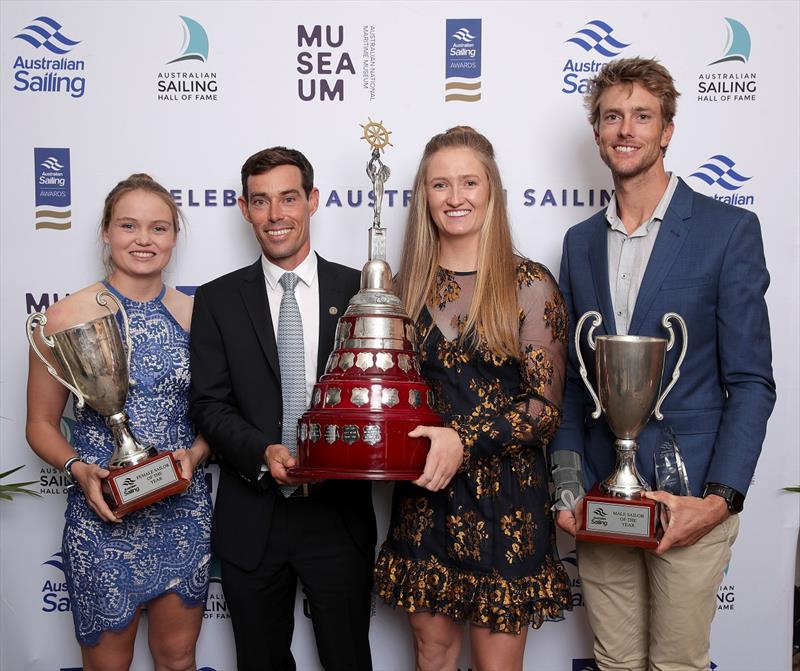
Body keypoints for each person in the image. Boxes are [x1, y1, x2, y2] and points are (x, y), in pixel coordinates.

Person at [550, 57, 776, 670]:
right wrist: (567, 485)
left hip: (690, 498)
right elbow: (573, 380)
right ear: (597, 132)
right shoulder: (579, 243)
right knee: (615, 662)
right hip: (603, 495)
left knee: (676, 665)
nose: (626, 129)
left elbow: (752, 381)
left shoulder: (728, 231)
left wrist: (719, 499)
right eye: (612, 116)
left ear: (667, 130)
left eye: (642, 116)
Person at [374, 126, 572, 671]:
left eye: (468, 182)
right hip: (425, 496)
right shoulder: (401, 285)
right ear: (425, 197)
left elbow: (543, 410)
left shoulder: (529, 283)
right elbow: (385, 393)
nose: (455, 197)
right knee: (432, 655)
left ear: (492, 191)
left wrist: (461, 438)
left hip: (505, 501)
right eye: (440, 185)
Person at [189, 147, 376, 671]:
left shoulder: (361, 292)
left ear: (313, 201)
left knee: (347, 660)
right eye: (261, 201)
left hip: (337, 515)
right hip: (254, 514)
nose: (276, 215)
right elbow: (208, 404)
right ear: (245, 209)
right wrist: (261, 451)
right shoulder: (218, 300)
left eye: (288, 198)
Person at [25, 174, 213, 671]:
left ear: (175, 237)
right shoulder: (64, 318)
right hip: (102, 511)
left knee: (178, 659)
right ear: (106, 233)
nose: (144, 240)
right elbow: (40, 425)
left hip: (182, 511)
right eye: (129, 225)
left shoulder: (198, 317)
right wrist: (79, 470)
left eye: (159, 228)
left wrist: (195, 454)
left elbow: (215, 414)